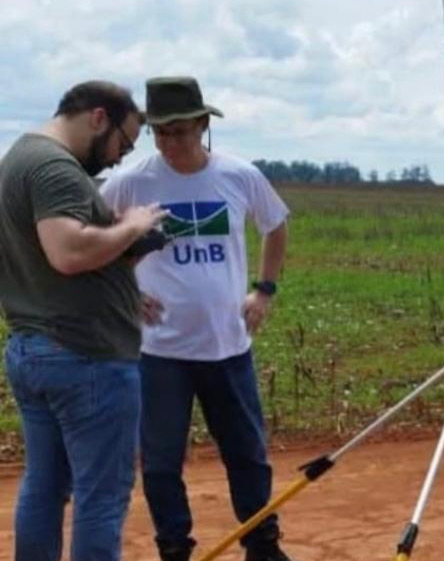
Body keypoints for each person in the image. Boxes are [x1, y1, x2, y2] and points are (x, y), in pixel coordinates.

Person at [100, 77, 291, 561]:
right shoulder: (130, 183)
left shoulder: (240, 176)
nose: (170, 143)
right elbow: (89, 240)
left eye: (181, 131)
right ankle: (174, 548)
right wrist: (124, 292)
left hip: (228, 347)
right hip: (159, 352)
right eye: (161, 133)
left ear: (203, 124)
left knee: (247, 455)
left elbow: (275, 225)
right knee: (161, 463)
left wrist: (264, 290)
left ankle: (262, 545)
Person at [0, 81, 164, 561]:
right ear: (98, 118)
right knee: (102, 494)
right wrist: (132, 225)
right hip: (85, 356)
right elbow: (69, 252)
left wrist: (123, 246)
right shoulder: (56, 168)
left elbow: (50, 258)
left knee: (46, 484)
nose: (117, 159)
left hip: (35, 347)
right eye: (122, 144)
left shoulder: (18, 159)